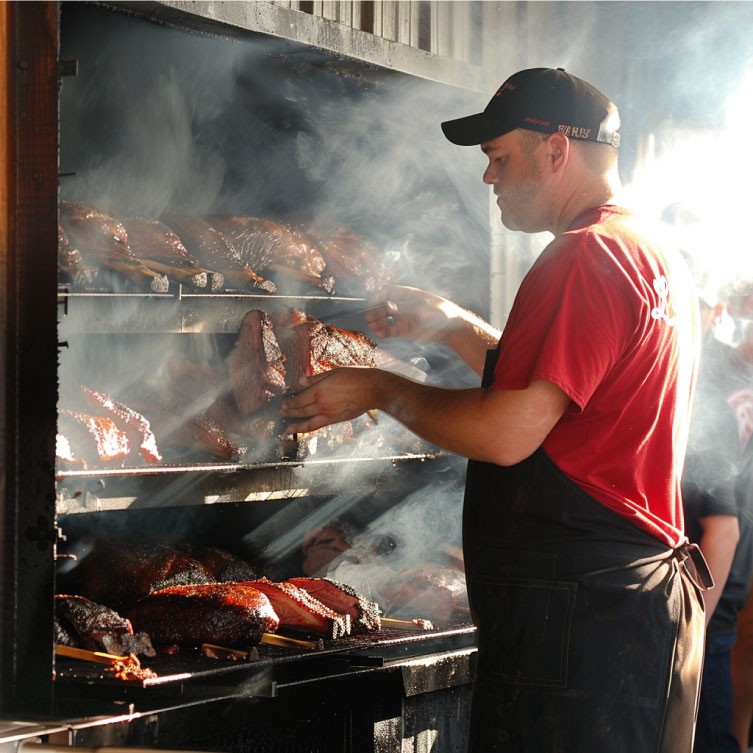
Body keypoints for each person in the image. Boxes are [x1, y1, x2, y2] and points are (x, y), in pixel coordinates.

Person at [281, 67, 708, 751]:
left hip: (581, 625)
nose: (488, 179)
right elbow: (565, 391)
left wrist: (379, 388)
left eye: (497, 157)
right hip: (632, 614)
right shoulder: (646, 251)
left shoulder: (582, 256)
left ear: (556, 149)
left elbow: (509, 430)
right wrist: (450, 323)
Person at [681, 291, 749, 753]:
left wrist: (694, 627)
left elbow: (724, 529)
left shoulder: (705, 400)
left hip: (704, 602)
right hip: (677, 608)